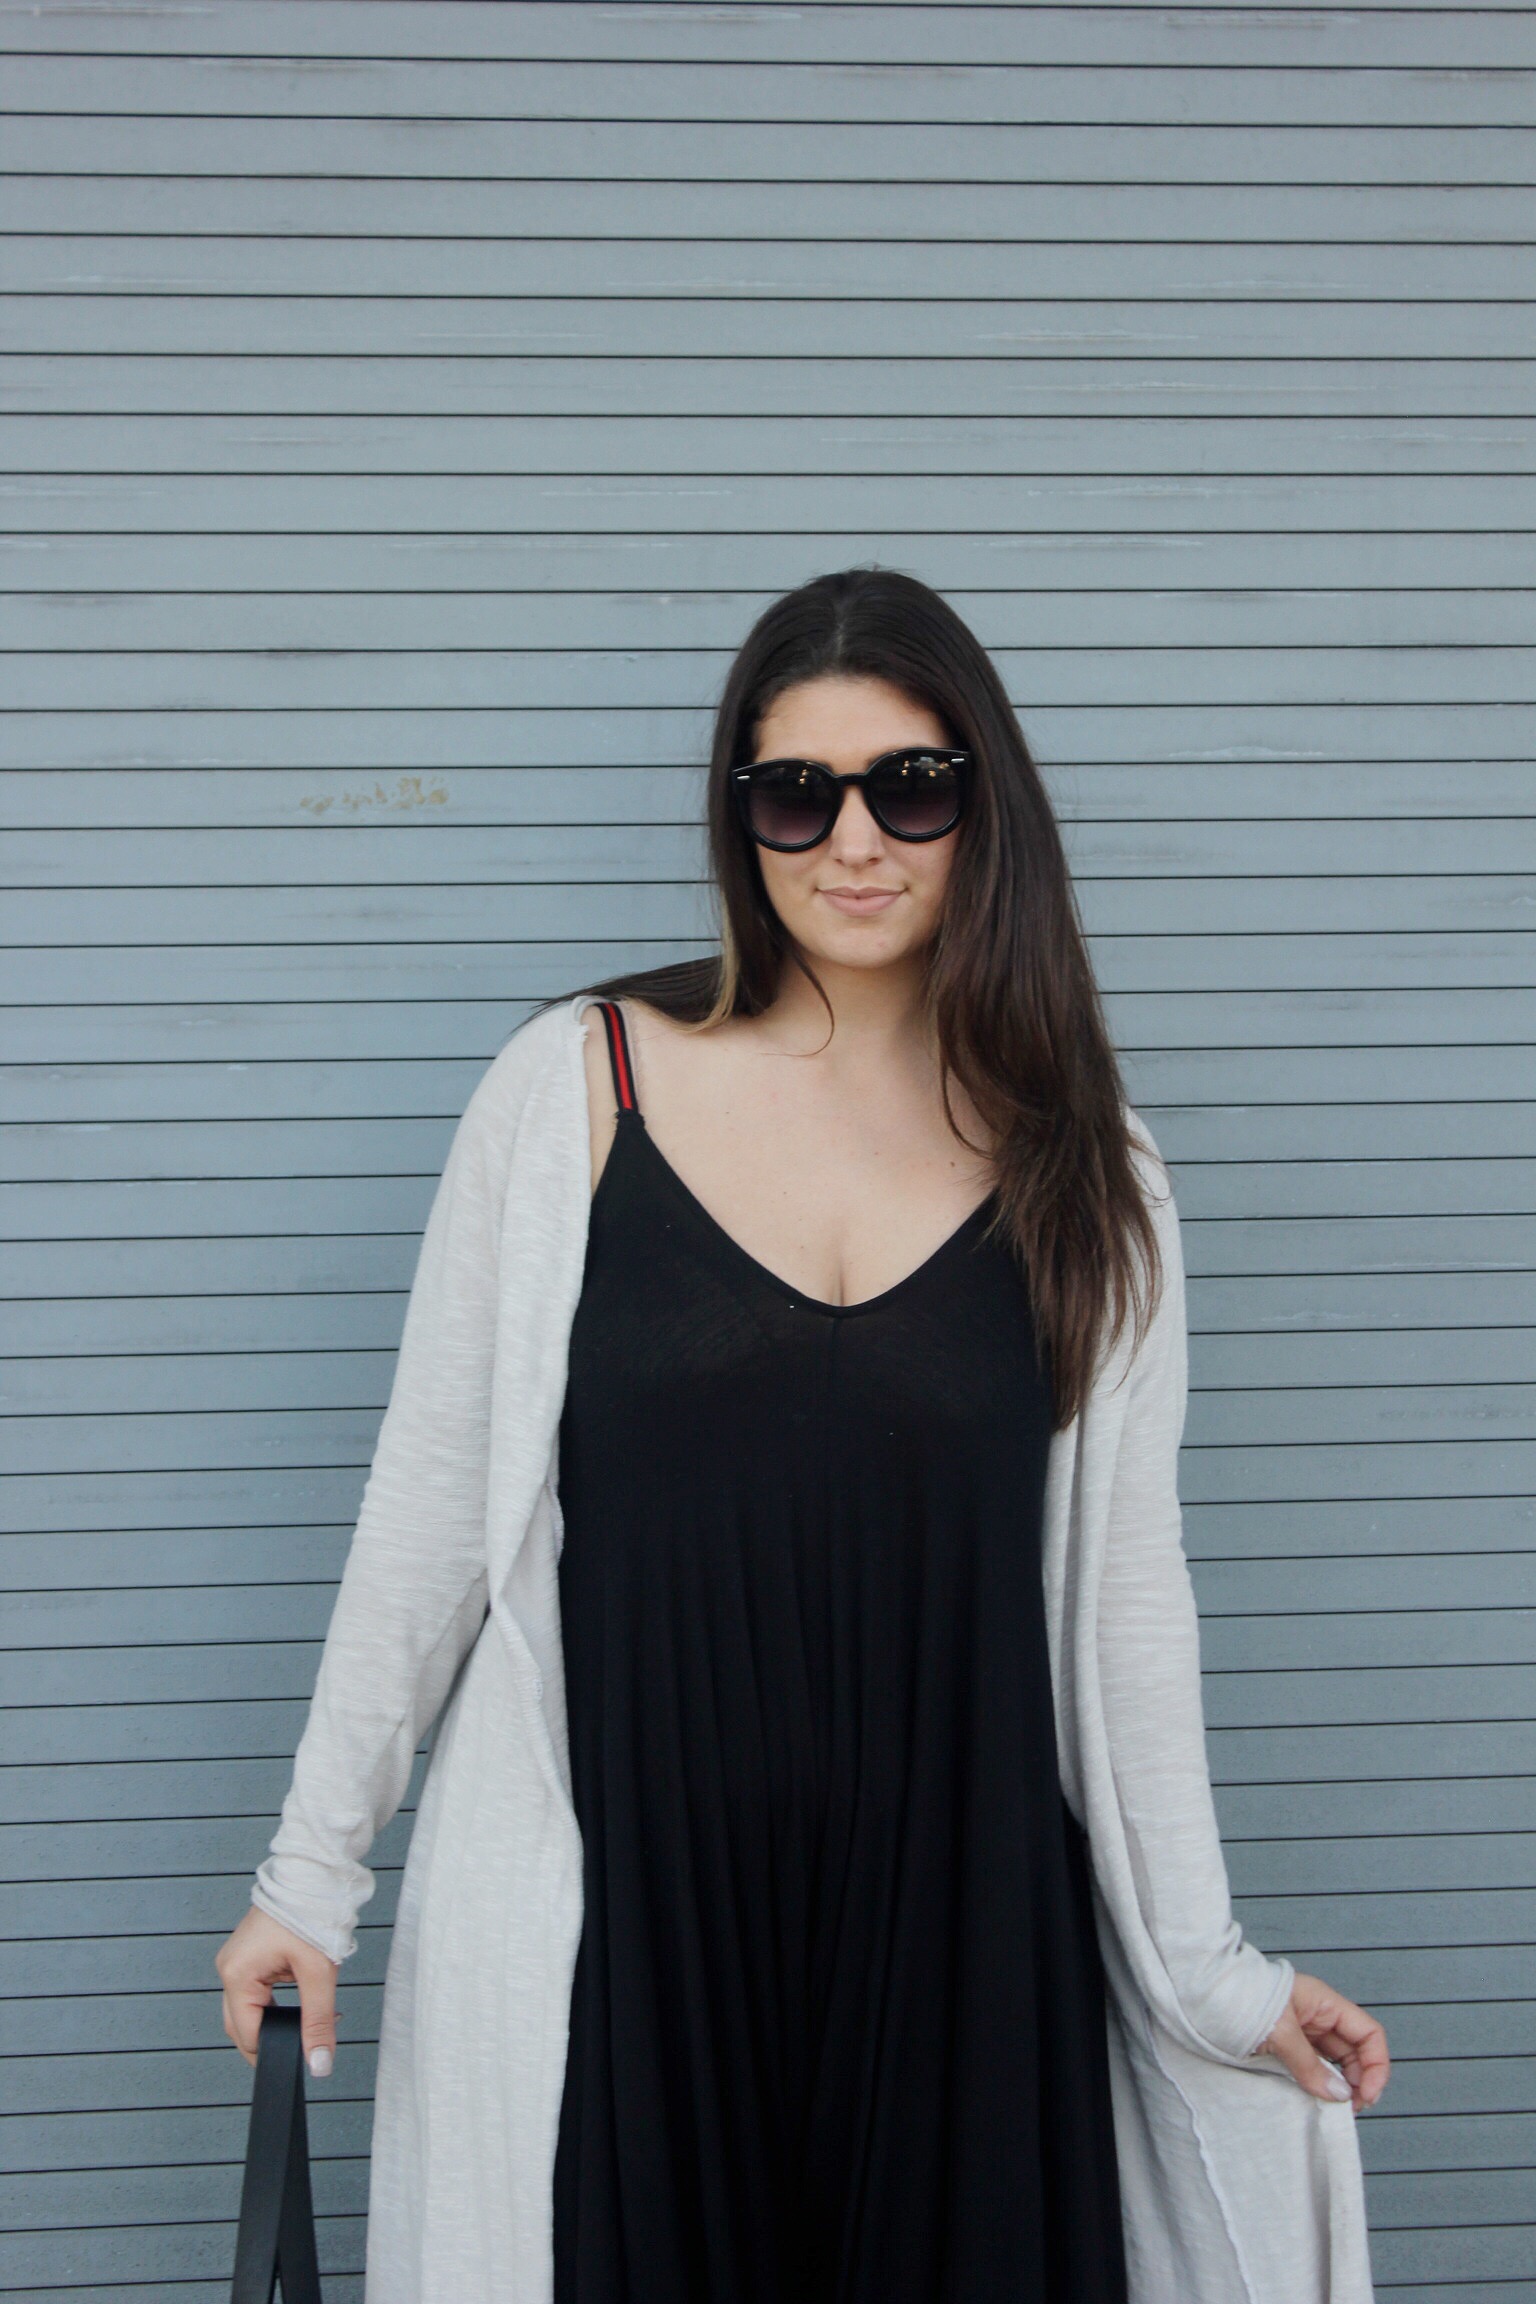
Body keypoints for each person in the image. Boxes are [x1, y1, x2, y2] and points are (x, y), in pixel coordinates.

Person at [216, 568, 1389, 2303]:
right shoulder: (577, 1090)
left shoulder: (1091, 1168)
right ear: (741, 816)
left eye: (912, 786)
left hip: (967, 1933)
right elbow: (428, 1519)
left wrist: (1215, 1977)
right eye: (796, 793)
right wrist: (309, 1879)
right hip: (639, 1934)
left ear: (986, 807)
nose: (854, 841)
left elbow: (1133, 1609)